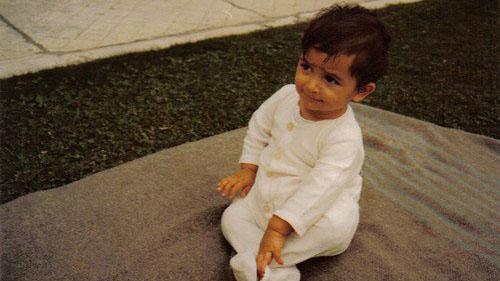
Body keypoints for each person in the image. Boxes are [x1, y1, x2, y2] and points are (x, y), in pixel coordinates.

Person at [216, 4, 390, 281]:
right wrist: (248, 169)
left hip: (314, 213)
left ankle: (260, 261)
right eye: (307, 67)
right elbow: (259, 128)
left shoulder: (343, 138)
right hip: (266, 196)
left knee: (334, 227)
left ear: (360, 91)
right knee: (232, 218)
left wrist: (278, 228)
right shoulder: (285, 96)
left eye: (330, 79)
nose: (311, 85)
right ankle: (270, 268)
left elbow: (320, 189)